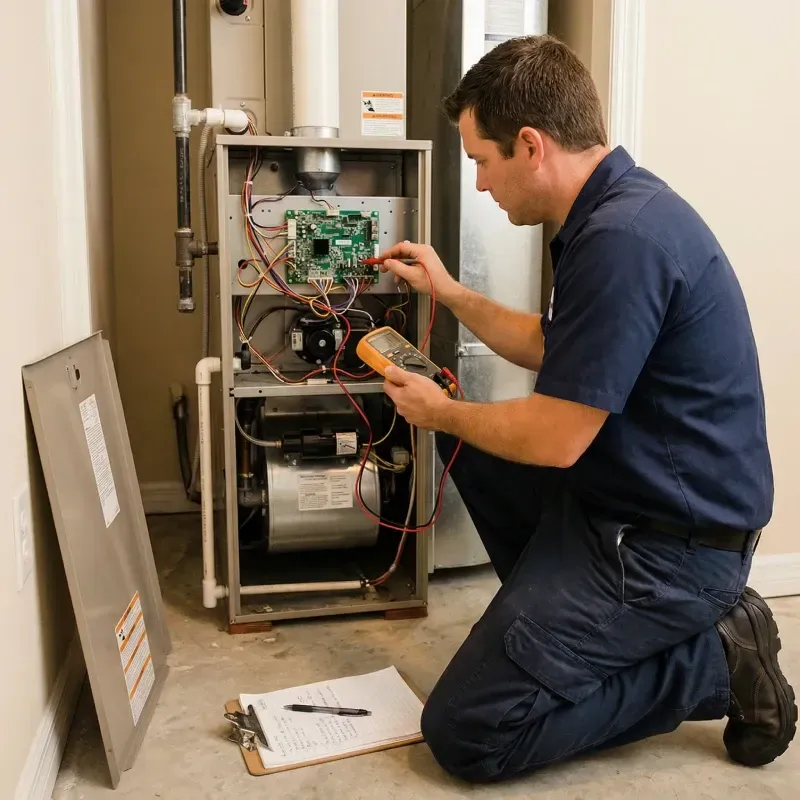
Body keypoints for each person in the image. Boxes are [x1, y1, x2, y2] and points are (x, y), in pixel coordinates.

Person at [377, 35, 796, 783]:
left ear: (530, 145)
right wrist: (447, 291)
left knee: (468, 731)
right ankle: (570, 638)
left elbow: (557, 438)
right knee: (473, 446)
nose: (479, 185)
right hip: (624, 503)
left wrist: (439, 412)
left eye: (481, 160)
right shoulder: (615, 213)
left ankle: (714, 662)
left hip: (670, 550)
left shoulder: (622, 240)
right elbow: (554, 343)